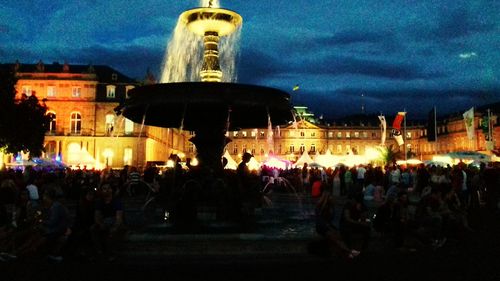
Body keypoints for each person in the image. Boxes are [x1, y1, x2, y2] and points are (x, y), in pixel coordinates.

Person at [315, 189, 360, 260]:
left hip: (328, 226)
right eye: (330, 197)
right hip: (322, 227)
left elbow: (330, 220)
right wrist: (330, 228)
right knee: (334, 237)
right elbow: (320, 221)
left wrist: (332, 227)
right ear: (326, 198)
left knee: (338, 236)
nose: (332, 198)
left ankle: (346, 253)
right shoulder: (320, 207)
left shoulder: (331, 206)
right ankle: (350, 251)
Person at [91, 183, 125, 261]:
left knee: (113, 231)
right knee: (93, 229)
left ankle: (111, 253)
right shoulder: (99, 202)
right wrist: (100, 223)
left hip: (114, 221)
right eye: (104, 189)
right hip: (104, 221)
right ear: (101, 191)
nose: (107, 190)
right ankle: (99, 251)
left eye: (108, 188)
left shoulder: (117, 201)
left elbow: (119, 217)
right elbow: (97, 215)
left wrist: (115, 226)